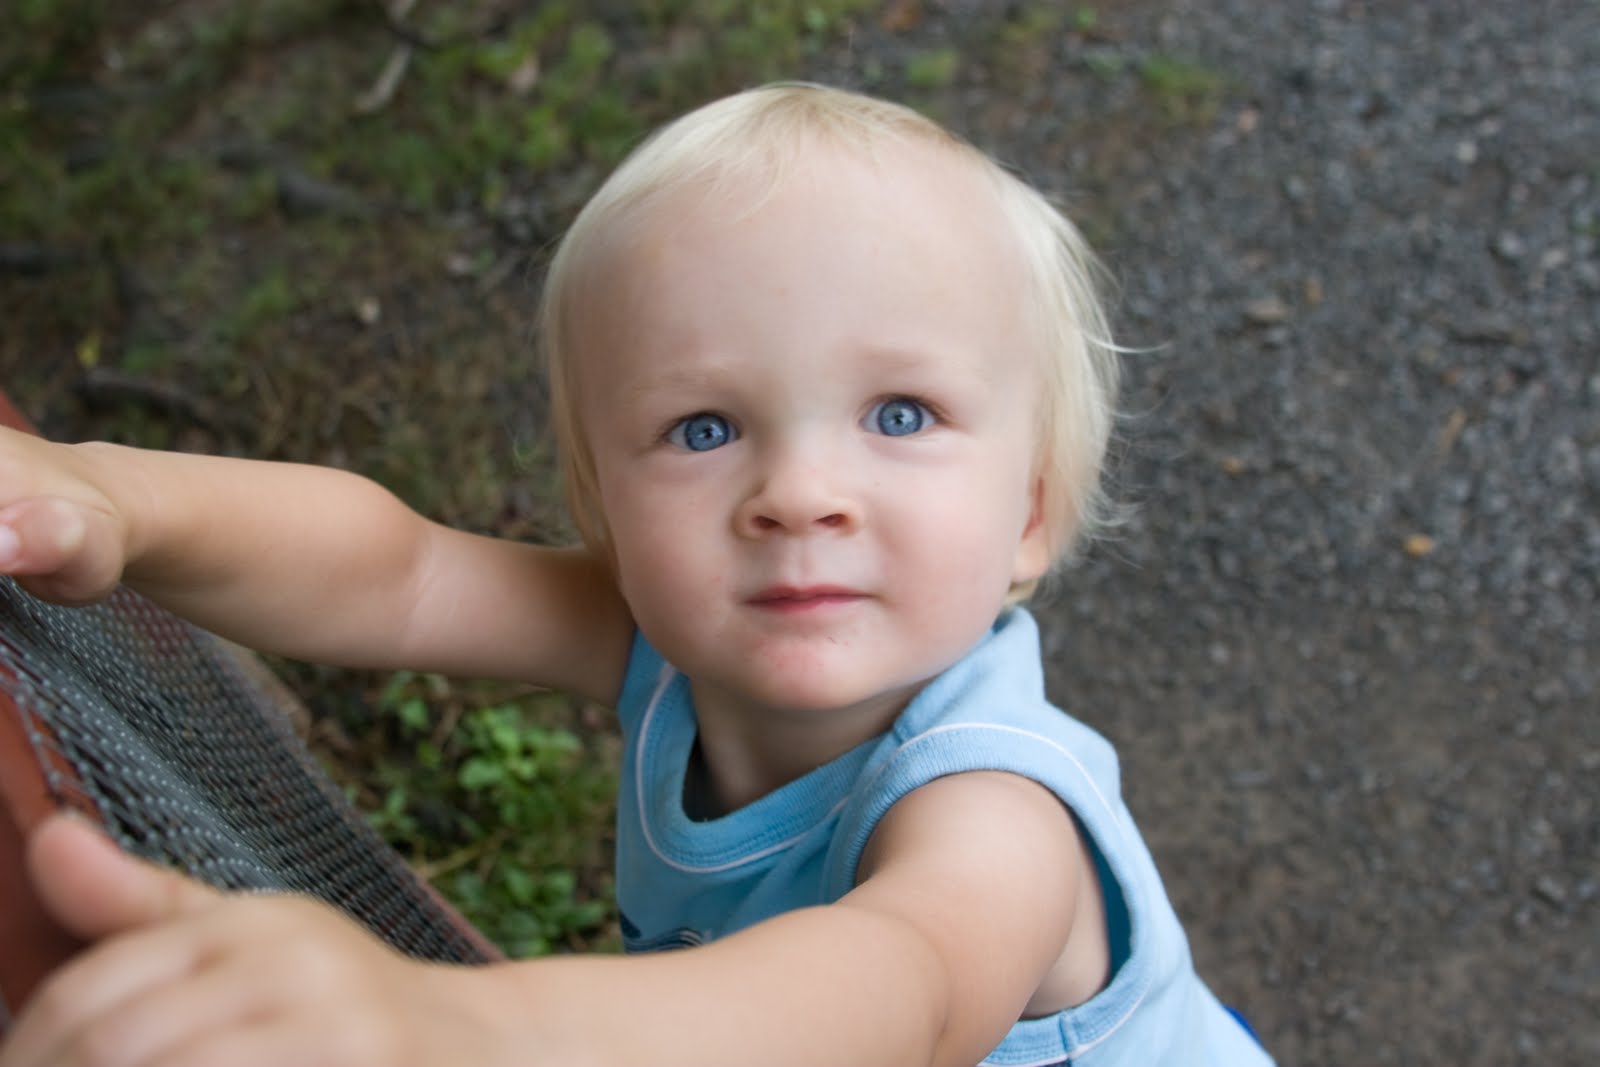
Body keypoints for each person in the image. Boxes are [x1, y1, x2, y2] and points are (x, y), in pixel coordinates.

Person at [0, 84, 1272, 1067]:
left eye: (899, 414)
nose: (798, 493)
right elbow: (401, 573)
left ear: (1030, 512)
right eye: (703, 428)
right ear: (600, 501)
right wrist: (112, 497)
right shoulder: (670, 647)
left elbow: (902, 987)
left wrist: (458, 1026)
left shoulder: (996, 808)